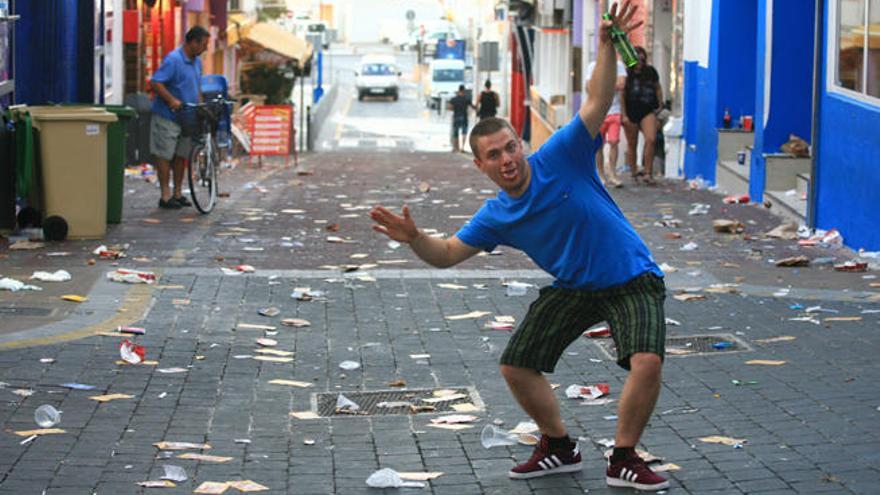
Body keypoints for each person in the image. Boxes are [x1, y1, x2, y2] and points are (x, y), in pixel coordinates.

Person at [370, 2, 669, 491]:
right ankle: (558, 445)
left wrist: (603, 47)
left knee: (647, 360)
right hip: (576, 286)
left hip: (631, 275)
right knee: (516, 364)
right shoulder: (498, 215)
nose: (507, 159)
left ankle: (623, 457)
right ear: (480, 166)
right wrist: (415, 238)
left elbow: (595, 100)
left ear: (521, 144)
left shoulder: (562, 154)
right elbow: (446, 254)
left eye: (511, 147)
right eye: (494, 155)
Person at [149, 26, 210, 209]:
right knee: (164, 155)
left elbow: (196, 87)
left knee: (180, 156)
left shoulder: (197, 62)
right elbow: (156, 82)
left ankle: (177, 193)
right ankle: (165, 196)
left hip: (187, 117)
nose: (206, 48)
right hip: (168, 116)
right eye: (204, 44)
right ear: (193, 42)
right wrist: (172, 101)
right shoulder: (174, 60)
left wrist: (200, 106)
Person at [621, 46, 663, 186]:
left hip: (647, 109)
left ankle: (647, 172)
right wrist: (624, 115)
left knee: (650, 139)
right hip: (631, 110)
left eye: (642, 59)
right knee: (632, 143)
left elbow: (658, 87)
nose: (640, 61)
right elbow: (622, 95)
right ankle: (633, 172)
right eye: (637, 59)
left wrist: (660, 103)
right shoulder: (627, 74)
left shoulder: (650, 72)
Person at [585, 55, 627, 188]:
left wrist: (601, 86)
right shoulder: (593, 67)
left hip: (614, 110)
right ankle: (601, 174)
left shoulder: (619, 66)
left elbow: (622, 84)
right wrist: (610, 85)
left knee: (614, 141)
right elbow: (589, 88)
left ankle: (613, 173)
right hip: (599, 112)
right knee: (598, 145)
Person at [447, 84, 474, 152]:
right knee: (464, 132)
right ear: (464, 91)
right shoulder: (467, 99)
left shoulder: (454, 99)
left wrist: (454, 108)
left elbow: (449, 107)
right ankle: (462, 147)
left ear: (459, 90)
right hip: (464, 116)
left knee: (456, 132)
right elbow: (472, 106)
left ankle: (456, 148)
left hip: (456, 116)